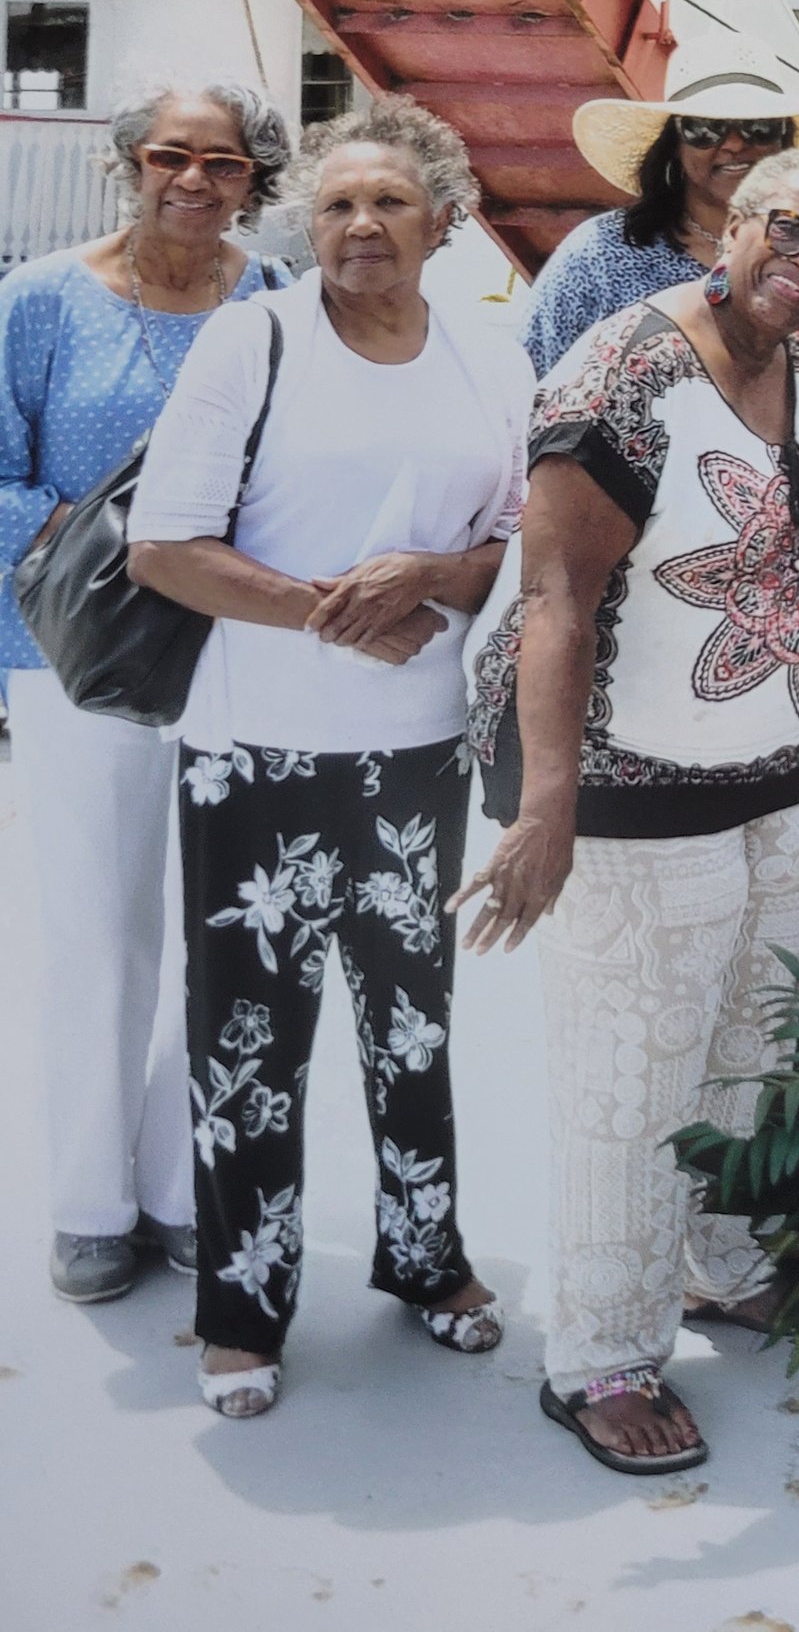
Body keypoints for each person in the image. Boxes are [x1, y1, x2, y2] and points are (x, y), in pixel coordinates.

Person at [455, 145, 799, 1475]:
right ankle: (600, 1351)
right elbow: (553, 600)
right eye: (791, 234)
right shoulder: (624, 376)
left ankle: (722, 1259)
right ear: (734, 225)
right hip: (631, 790)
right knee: (630, 1075)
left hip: (778, 770)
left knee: (750, 1043)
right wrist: (547, 807)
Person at [124, 96, 528, 1418]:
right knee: (248, 1038)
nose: (361, 224)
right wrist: (329, 609)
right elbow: (164, 547)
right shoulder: (257, 340)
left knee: (412, 1027)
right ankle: (242, 1307)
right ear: (308, 221)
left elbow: (518, 549)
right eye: (339, 204)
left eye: (390, 203)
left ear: (443, 222)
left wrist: (436, 573)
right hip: (257, 749)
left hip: (415, 754)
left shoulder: (491, 357)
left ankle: (426, 1260)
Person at [0, 80, 291, 1304]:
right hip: (85, 660)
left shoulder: (277, 300)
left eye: (221, 164)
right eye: (170, 156)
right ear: (130, 163)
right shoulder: (41, 299)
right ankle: (89, 1204)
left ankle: (182, 1190)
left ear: (250, 180)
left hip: (237, 649)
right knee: (96, 932)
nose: (193, 181)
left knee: (227, 929)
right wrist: (82, 530)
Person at [525, 32, 799, 378]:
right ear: (675, 144)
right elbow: (528, 383)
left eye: (758, 127)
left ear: (784, 140)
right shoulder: (599, 256)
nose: (734, 145)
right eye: (706, 128)